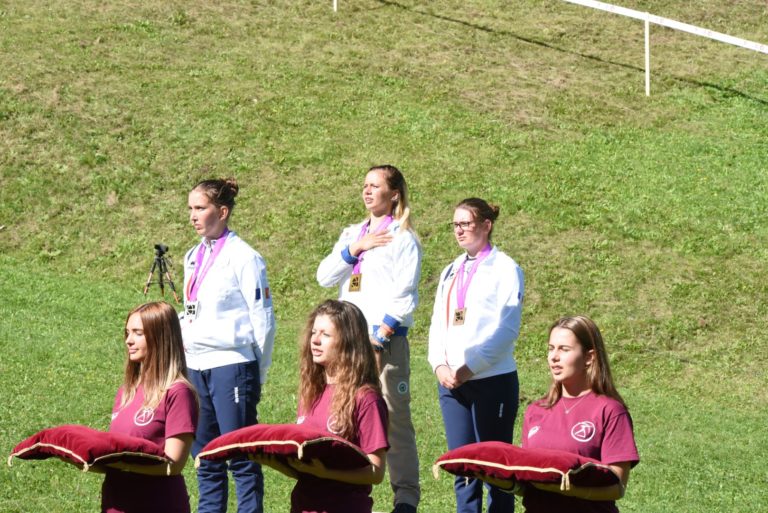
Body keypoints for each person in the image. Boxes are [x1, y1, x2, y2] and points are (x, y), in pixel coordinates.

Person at [316, 165, 421, 513]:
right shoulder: (352, 233)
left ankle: (405, 497)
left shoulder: (403, 237)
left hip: (383, 342)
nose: (367, 191)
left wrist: (380, 338)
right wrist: (356, 248)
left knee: (392, 415)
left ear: (394, 194)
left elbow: (405, 294)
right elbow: (324, 275)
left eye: (375, 186)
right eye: (364, 185)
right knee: (347, 411)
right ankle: (352, 485)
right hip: (347, 342)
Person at [479, 316, 640, 513]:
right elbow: (530, 484)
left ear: (589, 357)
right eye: (551, 348)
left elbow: (617, 487)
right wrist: (505, 482)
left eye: (564, 349)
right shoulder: (536, 411)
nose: (554, 356)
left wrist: (571, 490)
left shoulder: (610, 410)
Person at [182, 177, 276, 513]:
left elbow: (263, 320)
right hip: (196, 365)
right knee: (205, 455)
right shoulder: (192, 256)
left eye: (200, 208)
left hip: (232, 365)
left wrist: (258, 372)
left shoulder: (245, 257)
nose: (192, 216)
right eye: (190, 208)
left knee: (239, 453)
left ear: (222, 212)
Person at [427, 197, 524, 513]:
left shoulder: (506, 268)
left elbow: (507, 331)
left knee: (496, 470)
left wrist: (471, 367)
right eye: (455, 224)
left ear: (486, 225)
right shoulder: (451, 269)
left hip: (491, 381)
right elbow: (438, 323)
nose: (459, 230)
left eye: (465, 223)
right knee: (463, 469)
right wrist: (439, 363)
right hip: (452, 385)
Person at [253, 299, 389, 513]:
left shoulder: (366, 398)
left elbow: (376, 471)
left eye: (325, 335)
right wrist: (273, 461)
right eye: (314, 332)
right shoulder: (312, 392)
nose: (315, 340)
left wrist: (326, 473)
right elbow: (308, 470)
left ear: (348, 342)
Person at [101, 301, 199, 513]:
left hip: (157, 504)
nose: (128, 340)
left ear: (159, 337)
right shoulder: (127, 391)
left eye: (137, 333)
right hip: (116, 503)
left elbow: (173, 465)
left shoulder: (178, 392)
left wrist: (120, 465)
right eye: (127, 332)